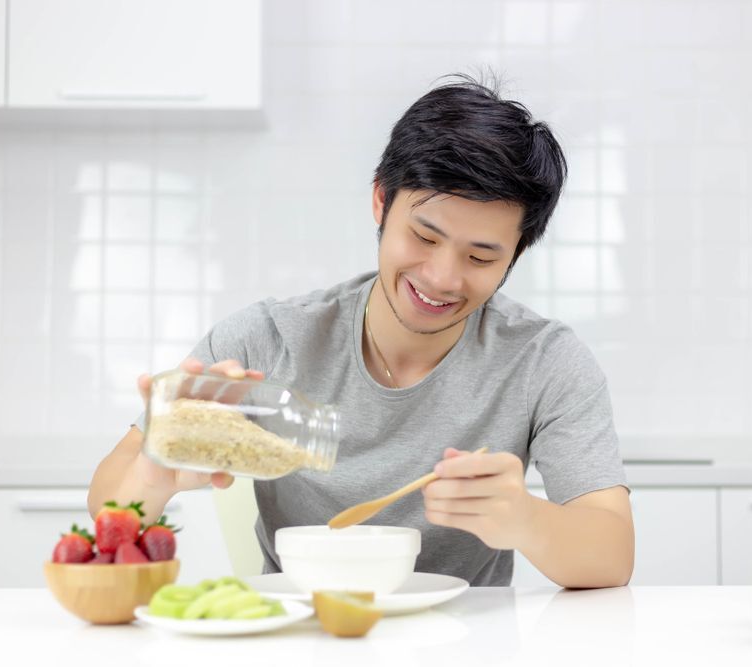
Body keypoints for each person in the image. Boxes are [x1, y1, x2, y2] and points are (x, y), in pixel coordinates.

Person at [89, 74, 634, 588]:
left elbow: (612, 556)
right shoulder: (267, 340)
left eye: (480, 256)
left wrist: (528, 520)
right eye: (423, 237)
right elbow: (109, 503)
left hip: (474, 639)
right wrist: (155, 473)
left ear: (516, 252)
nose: (442, 277)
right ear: (381, 200)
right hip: (302, 631)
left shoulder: (544, 362)